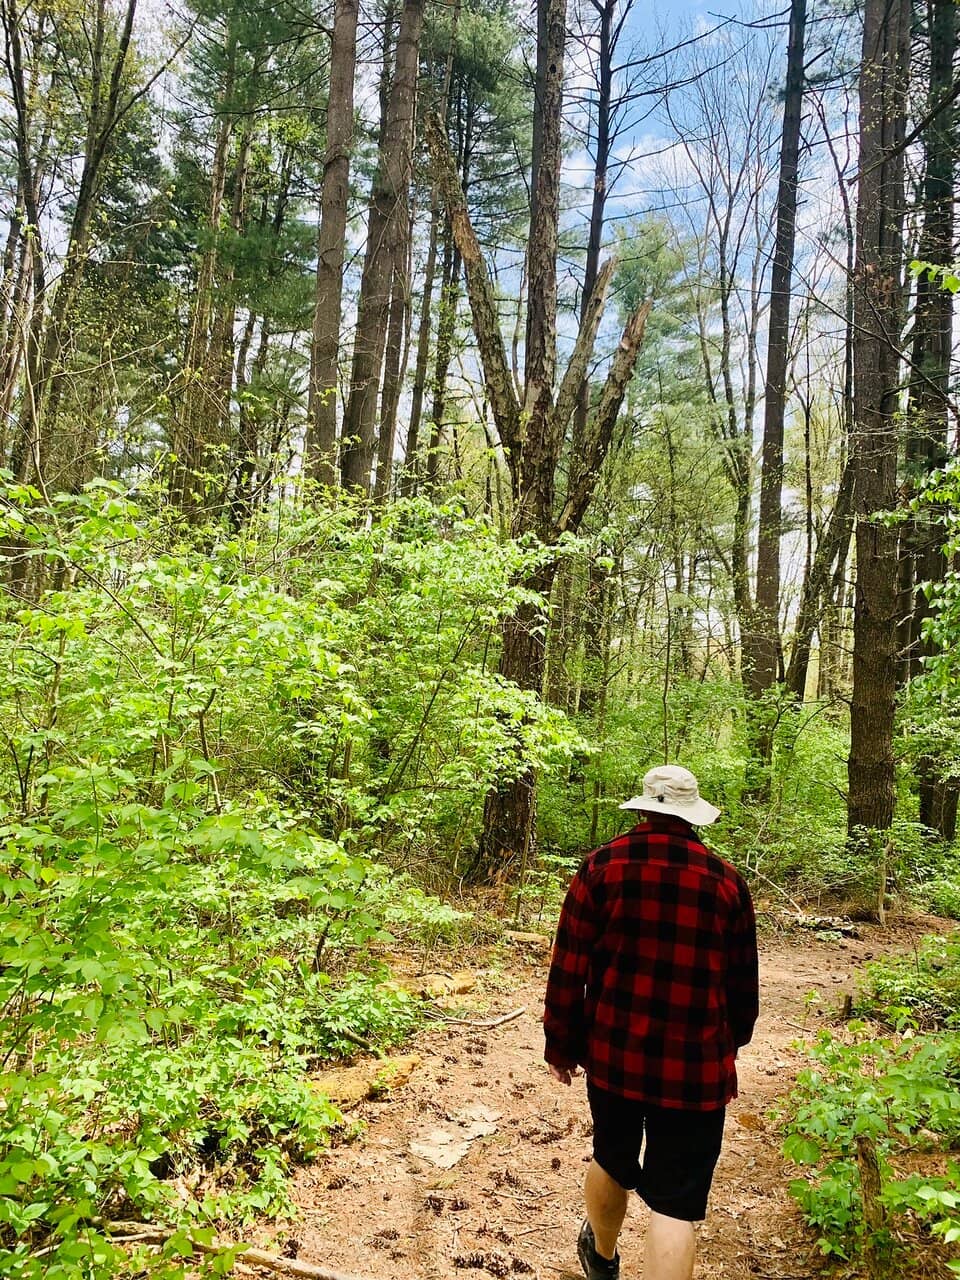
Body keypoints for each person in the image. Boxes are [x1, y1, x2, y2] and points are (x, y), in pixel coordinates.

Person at [543, 764, 759, 1280]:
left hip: (616, 1057)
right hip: (695, 1069)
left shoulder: (600, 869)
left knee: (611, 1156)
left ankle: (602, 1256)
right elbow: (742, 991)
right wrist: (731, 1042)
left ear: (643, 808)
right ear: (693, 818)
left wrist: (561, 1045)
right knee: (675, 1203)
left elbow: (569, 968)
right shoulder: (727, 884)